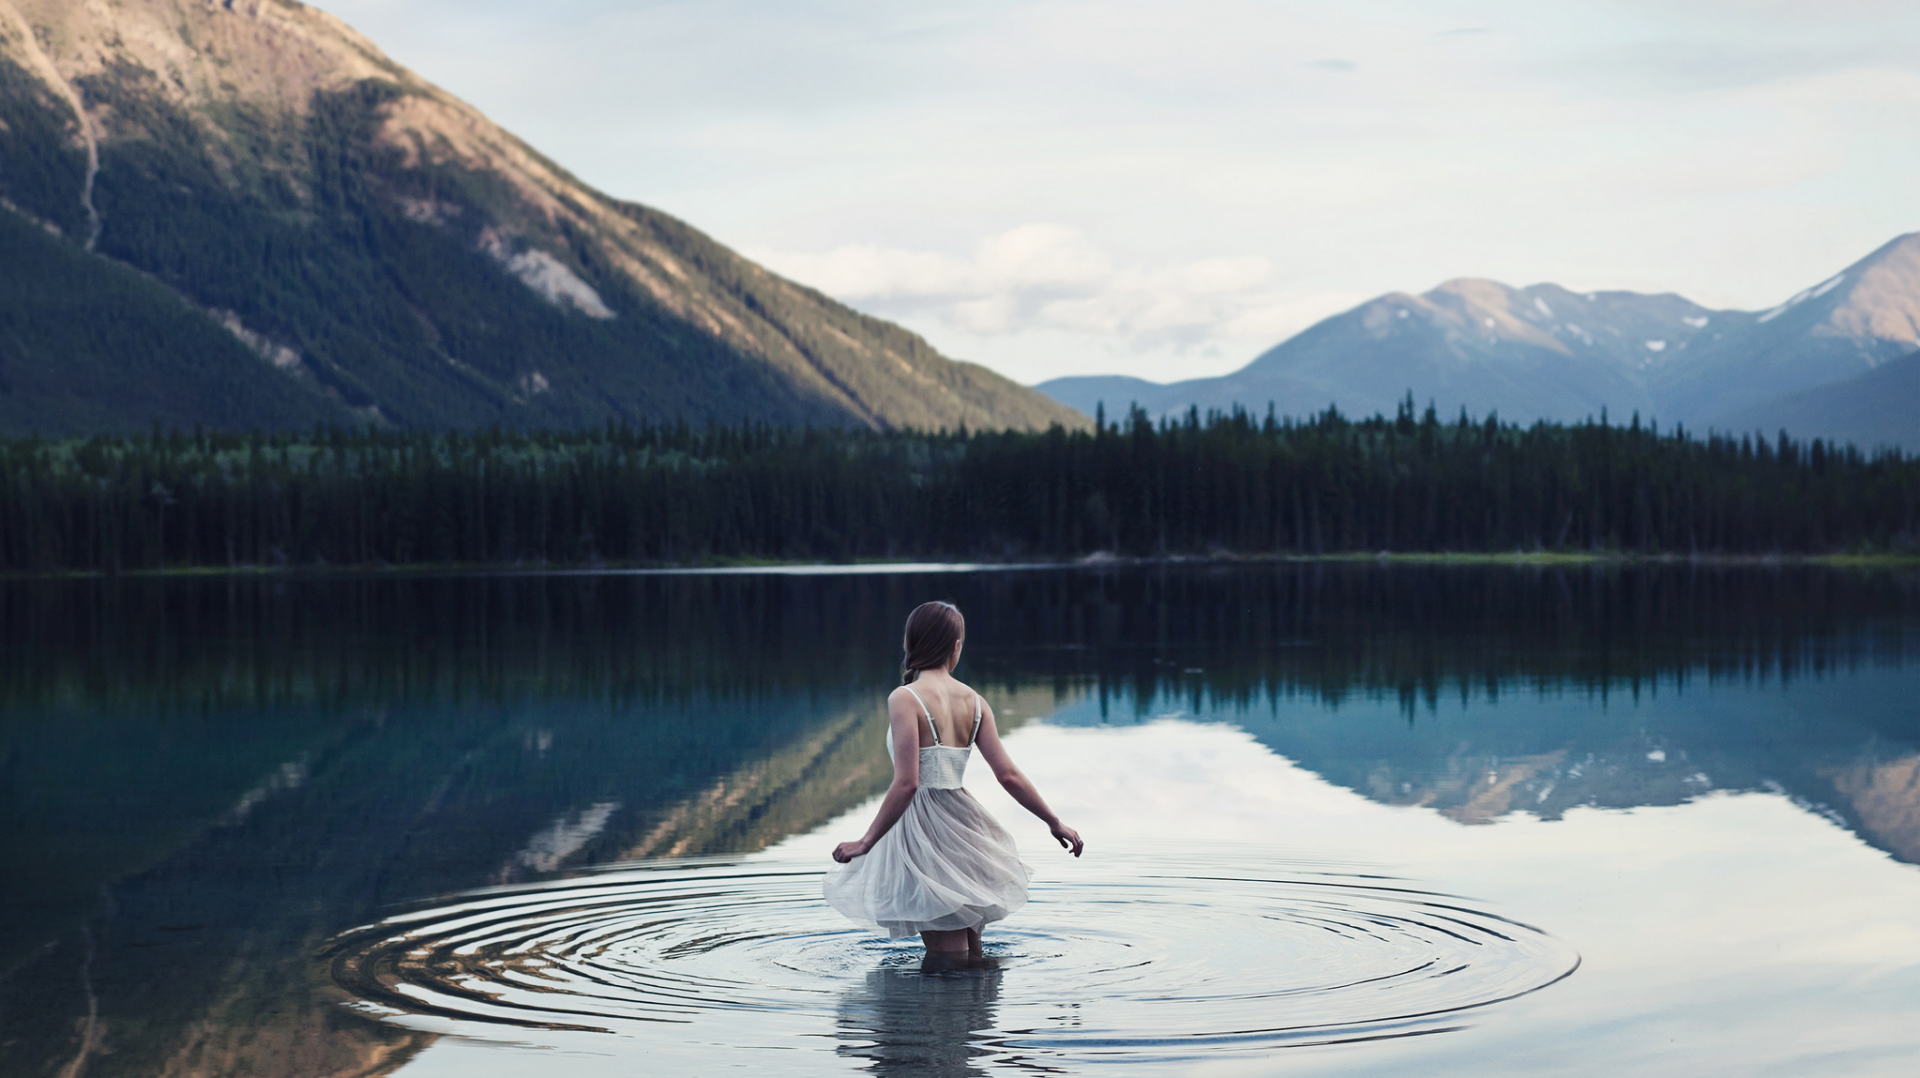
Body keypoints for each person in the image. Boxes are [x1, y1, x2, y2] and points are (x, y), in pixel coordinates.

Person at [824, 601, 1084, 956]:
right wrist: (1054, 822)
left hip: (924, 830)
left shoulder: (905, 698)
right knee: (971, 950)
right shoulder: (975, 702)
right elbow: (1008, 776)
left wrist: (866, 842)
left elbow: (908, 783)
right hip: (965, 826)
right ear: (956, 646)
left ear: (911, 643)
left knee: (948, 954)